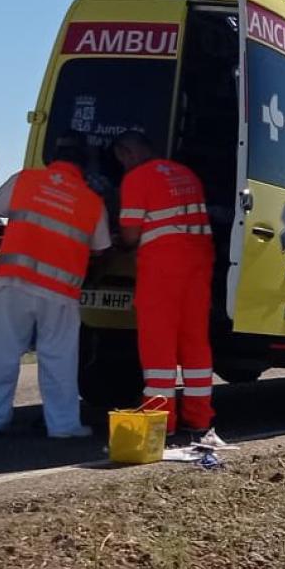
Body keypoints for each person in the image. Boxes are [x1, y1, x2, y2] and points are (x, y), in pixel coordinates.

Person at [0, 135, 109, 438]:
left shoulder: (25, 179)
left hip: (14, 281)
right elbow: (101, 247)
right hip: (59, 291)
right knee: (59, 357)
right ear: (84, 166)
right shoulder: (91, 201)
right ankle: (63, 426)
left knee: (2, 351)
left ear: (53, 158)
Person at [112, 131, 216, 437]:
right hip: (198, 266)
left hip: (162, 269)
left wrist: (116, 242)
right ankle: (199, 417)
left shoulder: (137, 178)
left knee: (158, 343)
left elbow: (131, 235)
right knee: (195, 342)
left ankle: (161, 420)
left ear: (127, 153)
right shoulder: (186, 174)